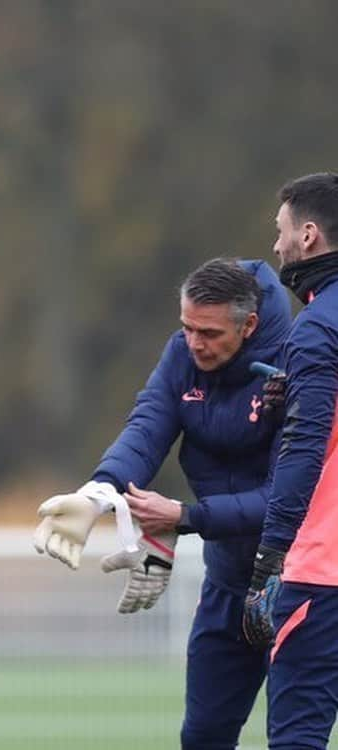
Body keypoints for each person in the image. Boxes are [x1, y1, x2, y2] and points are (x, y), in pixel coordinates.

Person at [34, 257, 292, 749]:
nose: (195, 343)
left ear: (250, 325)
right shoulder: (182, 355)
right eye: (187, 327)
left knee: (294, 737)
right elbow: (147, 426)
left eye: (210, 333)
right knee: (202, 737)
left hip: (303, 586)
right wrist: (100, 492)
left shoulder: (298, 363)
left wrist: (186, 518)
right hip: (227, 583)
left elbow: (286, 498)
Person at [243, 173, 338, 749]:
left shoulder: (318, 328)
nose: (275, 246)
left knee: (297, 738)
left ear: (307, 236)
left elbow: (306, 445)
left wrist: (268, 558)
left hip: (325, 574)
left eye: (279, 232)